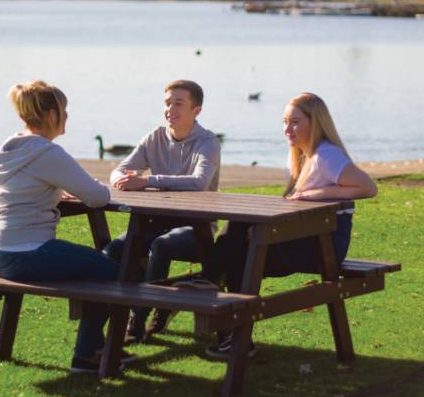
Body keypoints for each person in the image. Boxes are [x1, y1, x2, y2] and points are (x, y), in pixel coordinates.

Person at [203, 92, 378, 359]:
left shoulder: (326, 156)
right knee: (237, 237)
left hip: (323, 246)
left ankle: (212, 290)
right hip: (304, 237)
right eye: (285, 122)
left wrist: (317, 194)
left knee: (239, 253)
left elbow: (368, 187)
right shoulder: (298, 156)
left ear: (315, 122)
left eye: (295, 122)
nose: (287, 129)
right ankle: (229, 326)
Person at [0, 80, 136, 373]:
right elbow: (97, 196)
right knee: (112, 272)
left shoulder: (13, 149)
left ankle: (96, 347)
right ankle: (89, 354)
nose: (67, 117)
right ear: (52, 115)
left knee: (94, 266)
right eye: (64, 111)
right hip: (27, 252)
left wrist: (55, 189)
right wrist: (74, 186)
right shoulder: (46, 153)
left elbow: (27, 186)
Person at [104, 79, 221, 344]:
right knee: (117, 247)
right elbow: (119, 170)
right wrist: (121, 179)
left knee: (161, 245)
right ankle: (104, 316)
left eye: (178, 104)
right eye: (168, 103)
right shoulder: (154, 137)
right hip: (156, 221)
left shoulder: (207, 142)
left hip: (197, 228)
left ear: (196, 110)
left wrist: (147, 180)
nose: (170, 109)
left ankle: (137, 320)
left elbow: (199, 182)